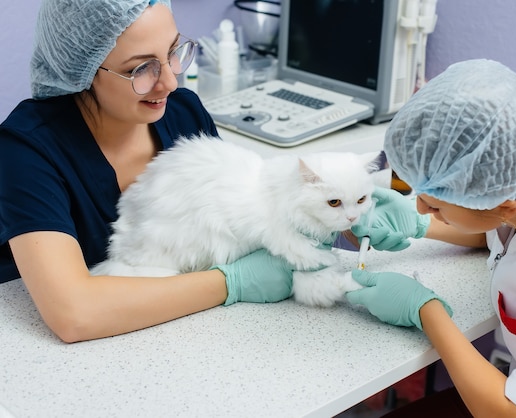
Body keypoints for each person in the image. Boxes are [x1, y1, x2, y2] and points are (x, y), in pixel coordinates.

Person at [0, 0, 295, 343]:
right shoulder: (25, 151)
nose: (170, 81)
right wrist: (231, 282)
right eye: (142, 68)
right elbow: (75, 314)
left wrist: (335, 219)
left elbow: (238, 225)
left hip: (177, 334)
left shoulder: (184, 115)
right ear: (83, 68)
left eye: (173, 51)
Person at [347, 59, 516, 417]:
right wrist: (419, 228)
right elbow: (510, 230)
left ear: (504, 204)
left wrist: (425, 311)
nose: (418, 207)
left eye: (432, 205)